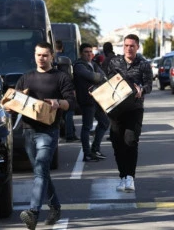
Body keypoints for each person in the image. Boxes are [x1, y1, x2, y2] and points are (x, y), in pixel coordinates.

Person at [12, 42, 76, 229]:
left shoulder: (61, 77)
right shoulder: (26, 78)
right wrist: (11, 102)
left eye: (45, 55)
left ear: (52, 56)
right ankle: (55, 207)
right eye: (38, 55)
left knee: (40, 170)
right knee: (41, 172)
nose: (41, 58)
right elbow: (15, 101)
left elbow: (71, 103)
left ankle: (33, 212)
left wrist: (58, 102)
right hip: (28, 130)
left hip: (48, 131)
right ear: (34, 55)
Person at [106, 34, 153, 192]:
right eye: (126, 45)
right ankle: (122, 176)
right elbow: (108, 82)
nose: (128, 48)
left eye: (132, 46)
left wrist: (142, 89)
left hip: (134, 108)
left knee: (131, 141)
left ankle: (130, 177)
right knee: (117, 143)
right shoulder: (114, 62)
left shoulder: (144, 64)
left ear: (137, 47)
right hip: (116, 109)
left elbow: (149, 85)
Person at [73, 43, 110, 162]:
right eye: (86, 52)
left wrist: (97, 77)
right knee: (87, 127)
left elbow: (103, 77)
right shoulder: (79, 65)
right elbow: (93, 77)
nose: (89, 54)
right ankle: (87, 153)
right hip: (87, 100)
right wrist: (97, 77)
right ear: (81, 53)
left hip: (97, 99)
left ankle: (95, 149)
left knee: (105, 122)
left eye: (90, 51)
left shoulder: (93, 64)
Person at [55, 39, 80, 142]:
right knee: (69, 112)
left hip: (54, 90)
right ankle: (69, 135)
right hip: (65, 90)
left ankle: (67, 133)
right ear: (62, 47)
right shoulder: (64, 59)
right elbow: (68, 77)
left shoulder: (52, 59)